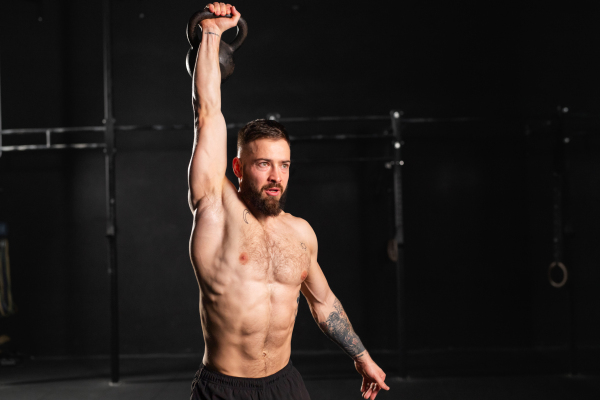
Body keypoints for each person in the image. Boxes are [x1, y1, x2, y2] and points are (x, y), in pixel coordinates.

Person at [188, 3, 390, 399]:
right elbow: (207, 113)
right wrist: (212, 33)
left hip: (285, 384)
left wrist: (362, 355)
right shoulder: (216, 209)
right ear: (239, 167)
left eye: (284, 165)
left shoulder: (300, 233)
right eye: (263, 163)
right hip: (225, 389)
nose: (276, 176)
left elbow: (324, 302)